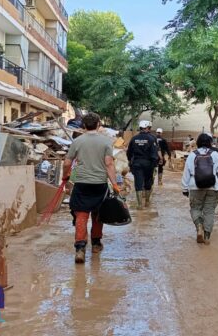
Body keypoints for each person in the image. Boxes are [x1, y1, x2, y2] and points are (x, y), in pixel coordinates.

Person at [63, 112, 121, 264]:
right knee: (97, 215)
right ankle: (96, 244)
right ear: (98, 125)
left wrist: (65, 176)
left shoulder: (77, 141)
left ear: (83, 125)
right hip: (99, 184)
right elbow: (109, 164)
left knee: (81, 216)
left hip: (81, 184)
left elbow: (67, 163)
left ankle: (80, 249)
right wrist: (114, 184)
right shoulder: (106, 141)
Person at [182, 133, 218, 244]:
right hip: (212, 187)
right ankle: (207, 237)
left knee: (195, 208)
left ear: (197, 143)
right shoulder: (215, 154)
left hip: (195, 186)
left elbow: (186, 173)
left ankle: (199, 226)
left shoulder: (192, 155)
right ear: (210, 143)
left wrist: (185, 188)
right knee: (210, 211)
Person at [127, 120, 158, 210]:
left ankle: (139, 205)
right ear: (148, 128)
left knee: (138, 183)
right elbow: (154, 154)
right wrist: (155, 165)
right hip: (148, 164)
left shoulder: (134, 139)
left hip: (137, 164)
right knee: (148, 182)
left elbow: (129, 153)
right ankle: (147, 202)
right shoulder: (151, 139)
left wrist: (130, 162)